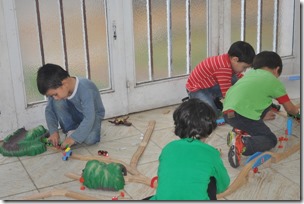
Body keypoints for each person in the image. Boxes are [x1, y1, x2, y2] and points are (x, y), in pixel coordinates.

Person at [223, 51, 300, 168]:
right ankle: (242, 144)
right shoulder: (274, 82)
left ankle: (239, 131)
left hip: (227, 112)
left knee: (267, 102)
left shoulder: (250, 74)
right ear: (276, 69)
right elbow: (290, 109)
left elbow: (252, 97)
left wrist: (262, 114)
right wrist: (298, 113)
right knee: (270, 139)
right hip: (242, 115)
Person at [148, 98, 230, 200]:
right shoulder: (211, 153)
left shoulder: (168, 148)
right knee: (212, 179)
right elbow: (223, 184)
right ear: (209, 128)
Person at [36, 63, 105, 149]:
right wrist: (53, 132)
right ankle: (71, 129)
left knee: (91, 139)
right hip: (77, 113)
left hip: (93, 116)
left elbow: (90, 117)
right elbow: (49, 110)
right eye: (51, 96)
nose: (55, 98)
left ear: (64, 84)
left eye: (55, 94)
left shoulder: (86, 88)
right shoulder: (58, 89)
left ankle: (77, 132)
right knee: (57, 103)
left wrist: (73, 138)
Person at [185, 41, 255, 118]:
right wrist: (230, 111)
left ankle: (213, 99)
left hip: (210, 85)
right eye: (244, 67)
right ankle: (196, 101)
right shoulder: (223, 68)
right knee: (211, 114)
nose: (244, 70)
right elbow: (227, 94)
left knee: (237, 80)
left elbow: (238, 77)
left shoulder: (229, 60)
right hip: (197, 89)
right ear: (235, 59)